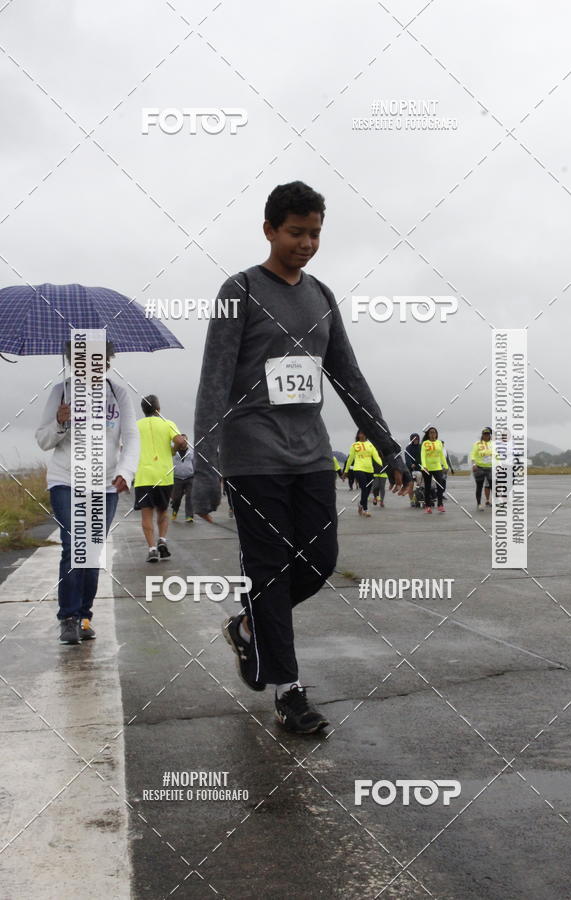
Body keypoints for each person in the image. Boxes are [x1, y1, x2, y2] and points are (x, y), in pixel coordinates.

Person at [193, 181, 409, 734]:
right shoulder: (239, 290)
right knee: (267, 571)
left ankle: (247, 628)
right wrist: (207, 467)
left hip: (311, 455)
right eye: (296, 232)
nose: (307, 243)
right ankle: (289, 693)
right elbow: (214, 382)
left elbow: (348, 377)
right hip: (254, 457)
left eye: (315, 233)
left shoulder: (322, 296)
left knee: (318, 564)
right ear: (269, 229)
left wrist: (388, 446)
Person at [35, 340, 139, 644]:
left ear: (107, 361)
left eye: (99, 360)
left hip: (105, 484)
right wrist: (59, 421)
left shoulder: (119, 394)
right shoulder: (61, 392)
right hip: (66, 480)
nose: (92, 367)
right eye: (83, 361)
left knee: (92, 551)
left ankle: (83, 616)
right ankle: (67, 616)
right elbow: (43, 440)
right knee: (74, 545)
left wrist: (126, 471)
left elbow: (131, 437)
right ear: (74, 361)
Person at [134, 395, 185, 562]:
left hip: (143, 476)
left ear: (143, 410)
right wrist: (173, 450)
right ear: (158, 409)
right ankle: (162, 540)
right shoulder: (167, 423)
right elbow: (180, 441)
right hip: (164, 475)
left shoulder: (136, 426)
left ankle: (152, 549)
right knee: (163, 511)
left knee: (146, 515)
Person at [344, 430, 382, 516]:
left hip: (369, 470)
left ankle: (360, 504)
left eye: (364, 433)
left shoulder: (370, 445)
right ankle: (365, 509)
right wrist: (346, 471)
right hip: (358, 469)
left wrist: (382, 465)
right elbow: (350, 459)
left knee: (368, 490)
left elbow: (376, 456)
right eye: (361, 433)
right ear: (358, 435)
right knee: (364, 489)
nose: (362, 435)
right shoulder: (354, 445)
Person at [420, 426, 448, 513]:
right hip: (427, 468)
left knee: (440, 486)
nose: (433, 434)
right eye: (431, 432)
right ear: (428, 434)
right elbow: (423, 455)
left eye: (434, 432)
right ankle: (428, 506)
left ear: (436, 434)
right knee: (427, 487)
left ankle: (440, 505)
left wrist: (446, 466)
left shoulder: (439, 443)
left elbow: (442, 456)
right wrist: (424, 466)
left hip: (437, 467)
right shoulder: (425, 443)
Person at [171, 435, 194, 522]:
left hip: (190, 477)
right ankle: (175, 511)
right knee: (176, 498)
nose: (183, 442)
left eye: (185, 440)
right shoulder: (173, 452)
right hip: (177, 478)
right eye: (182, 440)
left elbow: (195, 463)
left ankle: (189, 516)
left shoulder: (191, 452)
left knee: (190, 497)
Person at [470, 427, 494, 510]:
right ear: (482, 435)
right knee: (479, 486)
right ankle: (479, 503)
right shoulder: (477, 443)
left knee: (493, 486)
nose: (486, 435)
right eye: (485, 434)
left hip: (490, 467)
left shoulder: (493, 444)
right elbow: (472, 454)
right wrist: (474, 464)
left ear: (490, 435)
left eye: (488, 434)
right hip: (479, 467)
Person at [404, 432, 421, 508]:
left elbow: (422, 457)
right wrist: (410, 464)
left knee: (419, 486)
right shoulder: (408, 448)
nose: (416, 440)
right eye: (414, 439)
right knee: (411, 486)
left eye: (417, 439)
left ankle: (418, 499)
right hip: (410, 469)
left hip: (420, 468)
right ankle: (412, 500)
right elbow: (407, 458)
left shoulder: (421, 447)